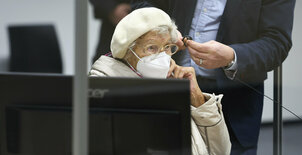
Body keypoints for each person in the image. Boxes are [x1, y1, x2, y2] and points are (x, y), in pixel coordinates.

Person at [131, 0, 296, 154]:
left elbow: (276, 42)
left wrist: (232, 56)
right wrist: (160, 30)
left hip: (233, 105)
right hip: (167, 92)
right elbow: (143, 4)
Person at [89, 7, 231, 155]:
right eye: (152, 48)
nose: (163, 56)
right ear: (126, 51)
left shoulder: (174, 85)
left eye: (168, 47)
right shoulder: (101, 91)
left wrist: (198, 99)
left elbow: (222, 152)